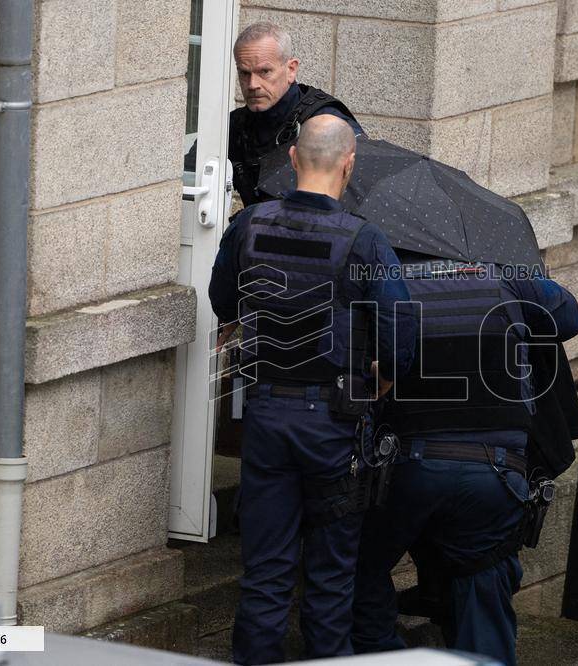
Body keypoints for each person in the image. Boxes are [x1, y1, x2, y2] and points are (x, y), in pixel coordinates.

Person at [208, 114, 415, 665]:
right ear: (349, 164)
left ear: (294, 160)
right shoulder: (364, 239)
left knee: (266, 572)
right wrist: (380, 384)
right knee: (330, 576)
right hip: (335, 423)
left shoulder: (250, 223)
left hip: (268, 414)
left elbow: (223, 301)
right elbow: (401, 335)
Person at [351, 256, 578, 666]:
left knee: (356, 568)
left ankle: (385, 656)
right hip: (496, 474)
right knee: (484, 576)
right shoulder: (505, 278)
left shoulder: (389, 281)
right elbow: (569, 318)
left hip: (407, 472)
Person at [185, 22, 362, 207]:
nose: (253, 84)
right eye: (244, 73)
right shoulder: (234, 126)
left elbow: (356, 191)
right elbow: (191, 177)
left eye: (264, 72)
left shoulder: (325, 122)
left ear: (291, 69)